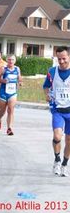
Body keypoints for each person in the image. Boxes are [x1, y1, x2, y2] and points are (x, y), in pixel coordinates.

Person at [43, 46, 70, 177]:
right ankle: (57, 160)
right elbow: (46, 86)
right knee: (57, 136)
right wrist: (47, 95)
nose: (61, 61)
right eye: (59, 59)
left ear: (69, 57)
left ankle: (65, 164)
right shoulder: (52, 71)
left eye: (64, 58)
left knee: (69, 140)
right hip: (58, 110)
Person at [0, 55, 23, 136]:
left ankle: (9, 128)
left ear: (15, 61)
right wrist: (3, 80)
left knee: (11, 110)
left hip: (13, 93)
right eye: (9, 60)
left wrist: (20, 82)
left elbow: (19, 78)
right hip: (3, 93)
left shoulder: (17, 69)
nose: (11, 61)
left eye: (12, 60)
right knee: (2, 111)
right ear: (7, 60)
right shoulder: (3, 69)